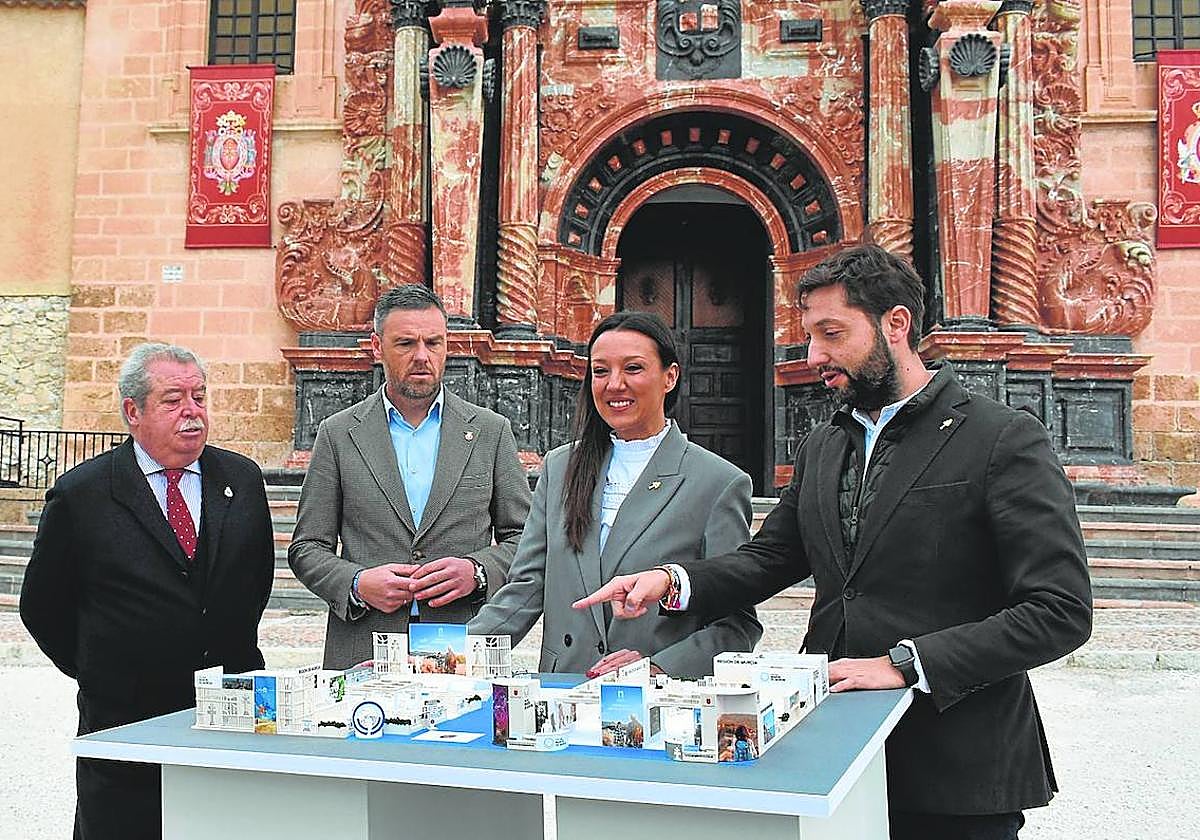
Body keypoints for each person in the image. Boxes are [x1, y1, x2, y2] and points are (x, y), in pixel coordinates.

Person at [575, 245, 1093, 839]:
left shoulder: (1002, 438)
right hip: (830, 758)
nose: (813, 356)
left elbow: (1059, 610)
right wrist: (672, 580)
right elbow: (772, 557)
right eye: (810, 337)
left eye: (831, 334)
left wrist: (906, 663)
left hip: (957, 766)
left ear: (896, 324)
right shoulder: (824, 444)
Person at [20, 343, 274, 840]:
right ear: (133, 412)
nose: (192, 412)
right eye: (173, 400)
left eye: (199, 397)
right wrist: (100, 666)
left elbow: (254, 581)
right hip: (125, 719)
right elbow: (42, 606)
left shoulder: (241, 479)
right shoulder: (83, 494)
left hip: (230, 709)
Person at [469, 311, 761, 677]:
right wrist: (448, 657)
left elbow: (737, 625)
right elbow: (526, 588)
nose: (614, 385)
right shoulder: (561, 468)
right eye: (601, 371)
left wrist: (657, 667)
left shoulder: (718, 482)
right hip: (563, 688)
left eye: (633, 368)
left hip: (652, 700)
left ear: (670, 376)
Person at [289, 284, 531, 669]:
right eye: (405, 343)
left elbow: (525, 540)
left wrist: (477, 571)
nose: (422, 356)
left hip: (461, 648)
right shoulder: (338, 434)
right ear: (377, 346)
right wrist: (357, 583)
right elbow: (307, 548)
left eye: (433, 343)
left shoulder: (490, 432)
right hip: (364, 648)